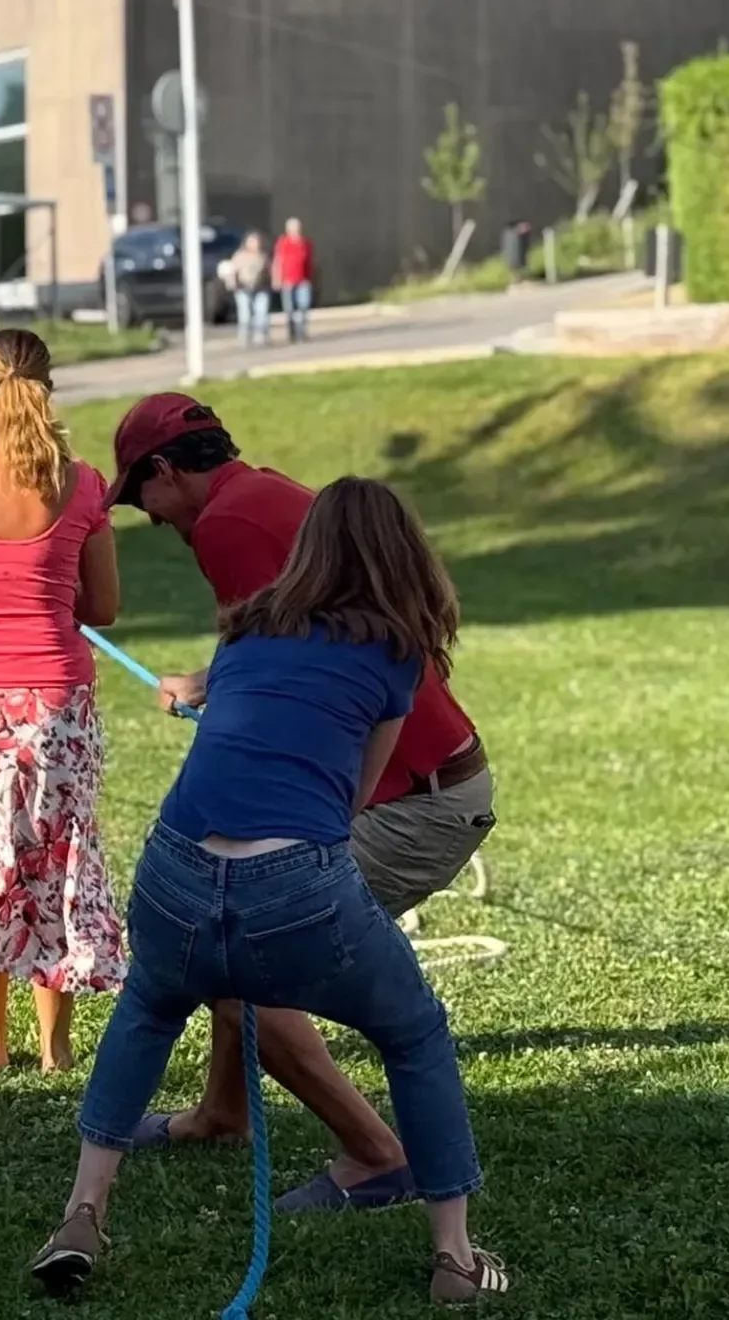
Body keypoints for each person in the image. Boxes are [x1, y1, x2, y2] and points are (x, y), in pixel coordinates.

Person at [29, 478, 508, 1307]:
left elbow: (239, 714)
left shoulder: (247, 629)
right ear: (405, 556)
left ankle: (82, 1212)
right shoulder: (396, 651)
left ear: (308, 545)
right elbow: (351, 800)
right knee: (414, 1033)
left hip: (174, 867)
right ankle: (456, 1260)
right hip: (294, 882)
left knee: (150, 1006)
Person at [102, 393, 496, 1214]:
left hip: (412, 801)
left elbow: (284, 659)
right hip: (433, 779)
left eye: (142, 498)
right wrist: (207, 683)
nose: (152, 519)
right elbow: (295, 650)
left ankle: (379, 1157)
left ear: (166, 472)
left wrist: (213, 698)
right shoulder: (268, 491)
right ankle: (223, 1112)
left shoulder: (228, 526)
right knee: (238, 942)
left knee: (240, 957)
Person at [0, 328, 126, 1074]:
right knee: (53, 863)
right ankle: (54, 1045)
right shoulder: (84, 484)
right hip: (55, 707)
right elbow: (103, 607)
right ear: (47, 392)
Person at [271, 217, 315, 342]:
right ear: (287, 229)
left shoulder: (305, 243)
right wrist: (276, 278)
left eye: (297, 227)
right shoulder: (283, 242)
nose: (295, 229)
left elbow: (309, 261)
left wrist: (310, 277)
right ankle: (292, 333)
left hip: (303, 279)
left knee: (304, 306)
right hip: (287, 280)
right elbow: (278, 261)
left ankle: (302, 332)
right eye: (293, 227)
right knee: (289, 308)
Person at [228, 231, 273, 347]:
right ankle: (244, 338)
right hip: (243, 288)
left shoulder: (263, 256)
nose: (253, 244)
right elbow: (232, 271)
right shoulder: (239, 256)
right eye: (251, 241)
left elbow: (270, 270)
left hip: (261, 287)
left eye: (256, 241)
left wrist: (272, 281)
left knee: (261, 313)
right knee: (245, 315)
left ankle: (260, 337)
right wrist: (232, 284)